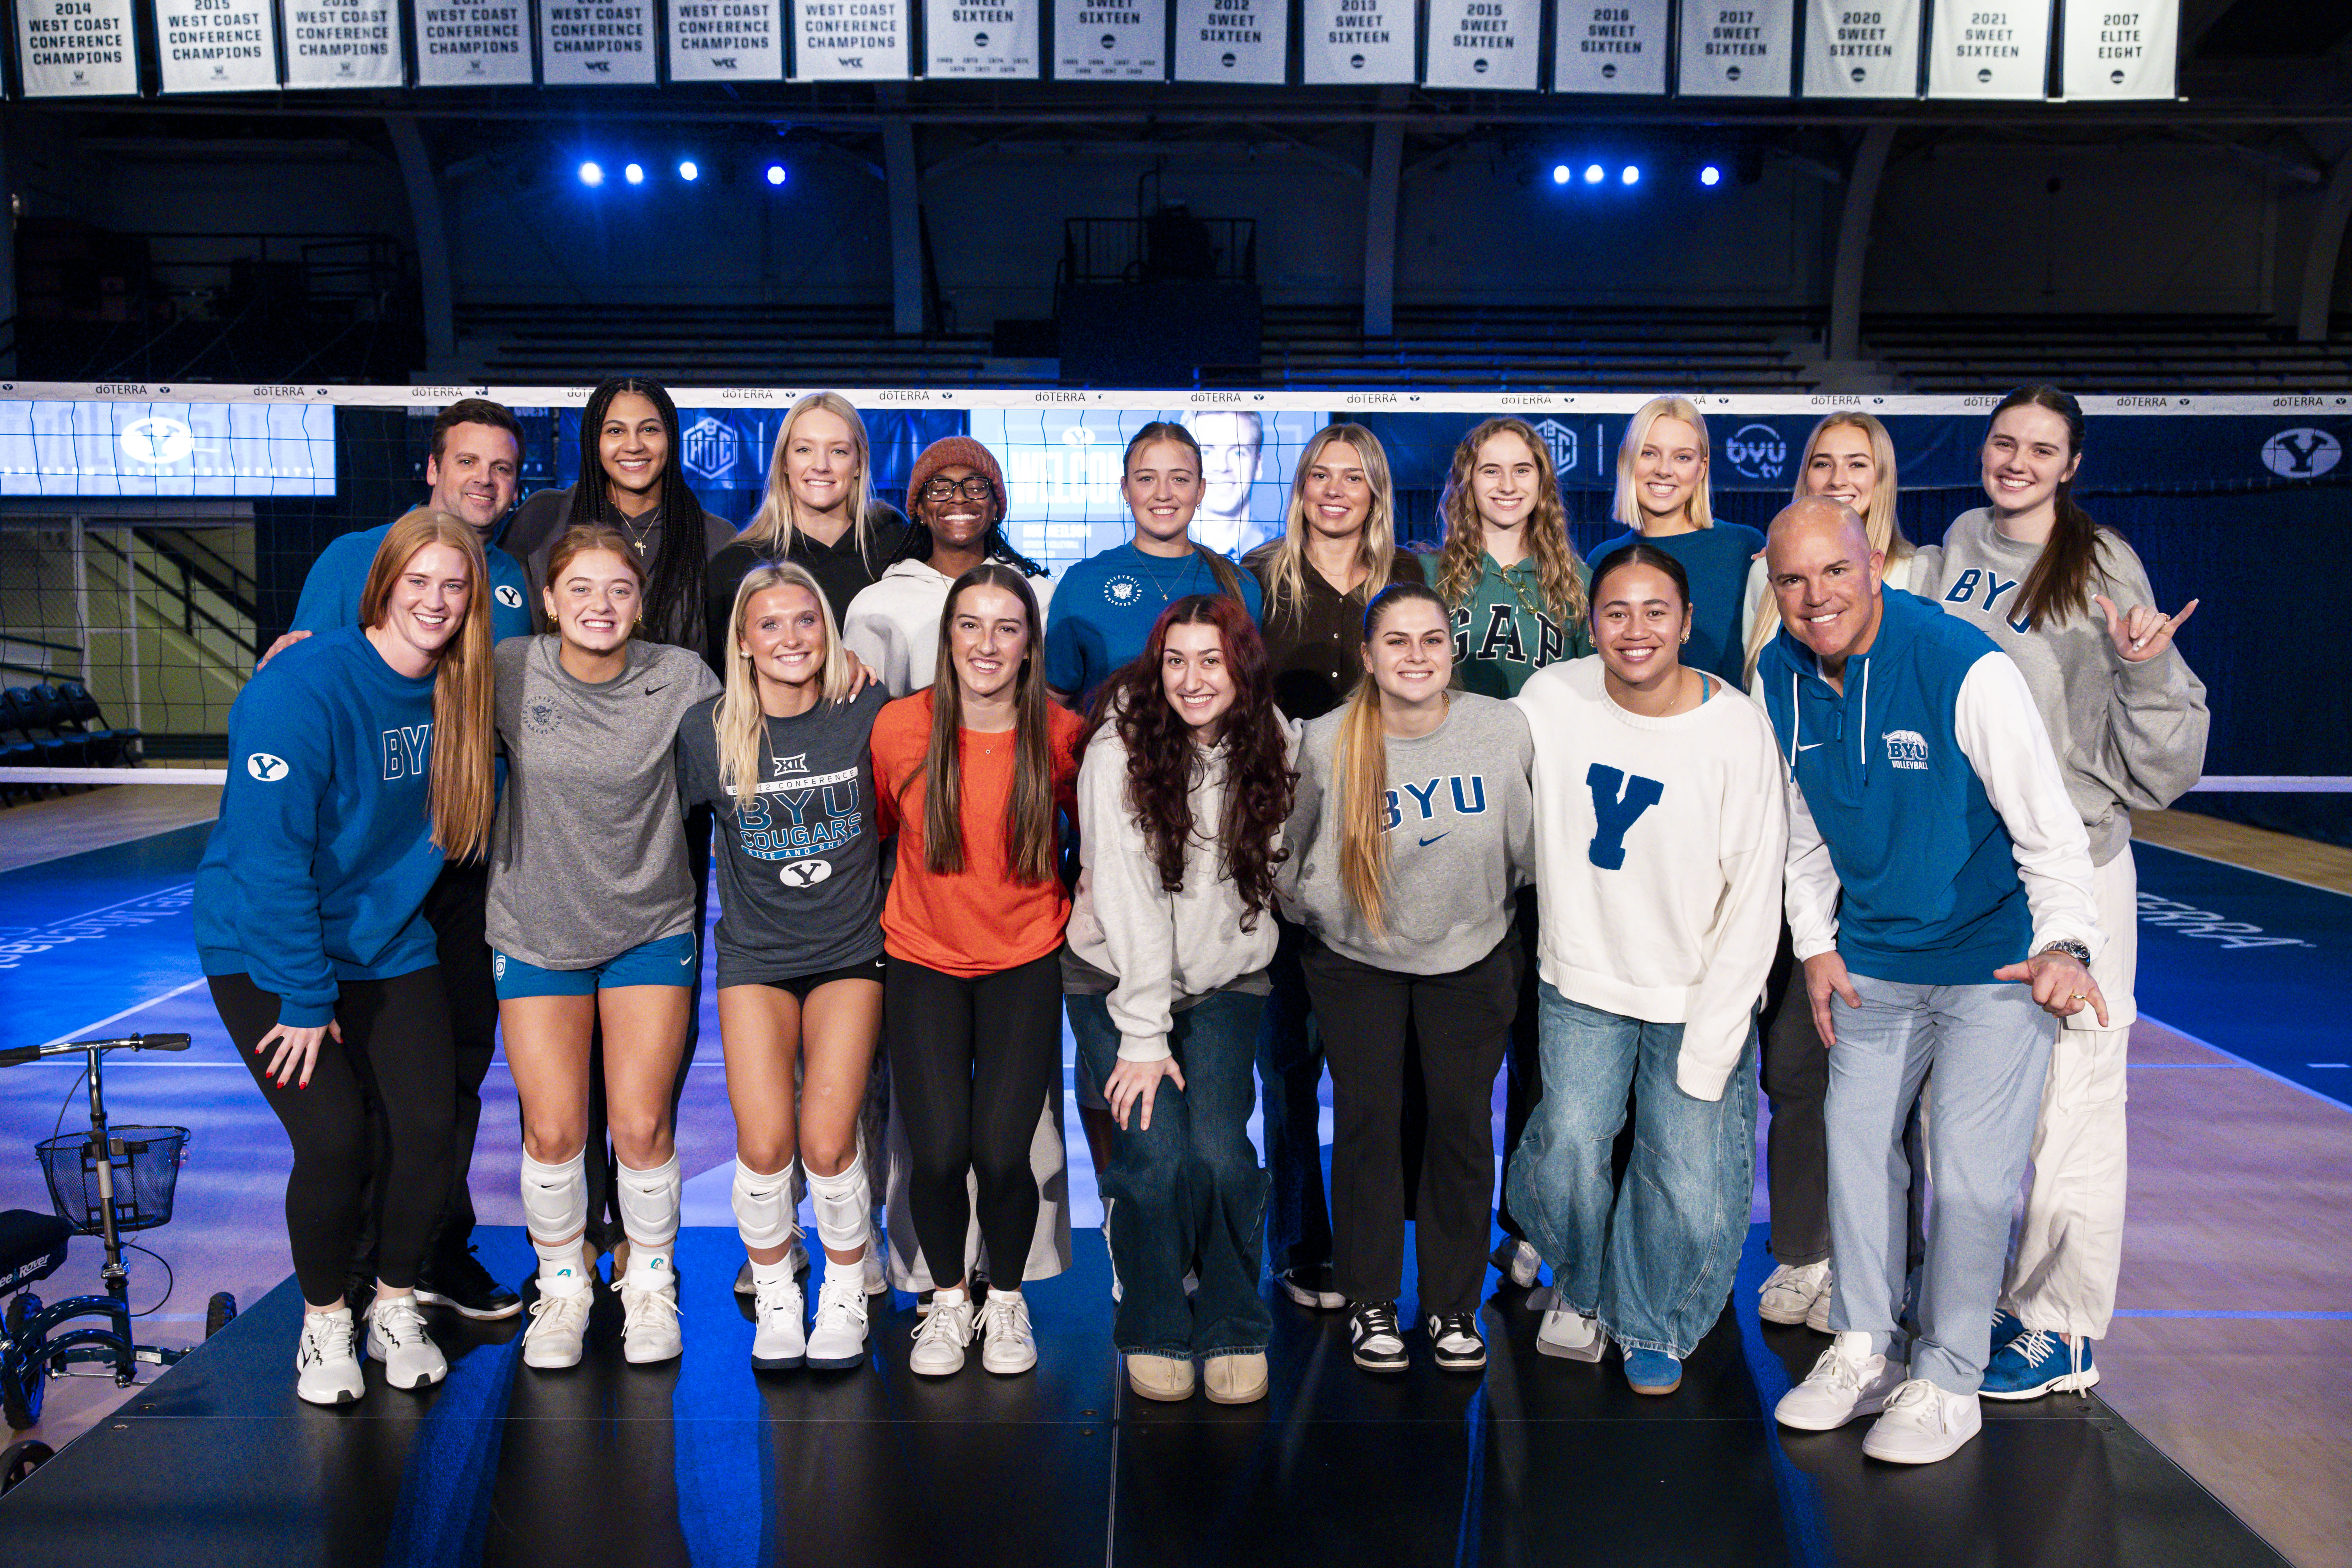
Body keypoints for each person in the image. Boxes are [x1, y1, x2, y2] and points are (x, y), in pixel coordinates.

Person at [1759, 496, 2107, 1467]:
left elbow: (2047, 829)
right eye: (1791, 579)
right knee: (1856, 1151)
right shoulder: (1776, 673)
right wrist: (1814, 947)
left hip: (1989, 961)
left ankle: (1948, 1375)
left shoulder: (1964, 667)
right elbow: (1799, 832)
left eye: (1832, 571)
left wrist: (2066, 946)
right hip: (1871, 959)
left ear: (1872, 563)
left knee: (1964, 1172)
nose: (1813, 596)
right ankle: (1865, 1347)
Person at [1933, 386, 2206, 1401]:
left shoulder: (2097, 567)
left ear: (2069, 465)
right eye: (2004, 441)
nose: (2015, 461)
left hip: (2075, 869)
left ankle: (2060, 1326)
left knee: (2075, 1102)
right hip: (1974, 871)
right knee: (1966, 1102)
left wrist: (2144, 668)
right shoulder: (1956, 543)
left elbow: (2165, 759)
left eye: (2038, 449)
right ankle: (1996, 1293)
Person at [195, 509, 496, 1404]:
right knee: (334, 1139)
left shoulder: (462, 694)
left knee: (428, 1131)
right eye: (419, 582)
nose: (436, 601)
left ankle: (392, 1304)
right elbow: (267, 855)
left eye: (454, 585)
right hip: (264, 946)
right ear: (383, 585)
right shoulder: (302, 687)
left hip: (384, 942)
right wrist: (302, 996)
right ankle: (325, 1319)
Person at [273, 398, 533, 1323]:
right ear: (432, 467)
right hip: (367, 869)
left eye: (502, 468)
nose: (484, 482)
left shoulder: (508, 579)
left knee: (452, 1073)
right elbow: (298, 673)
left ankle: (429, 1251)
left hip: (465, 864)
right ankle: (354, 1266)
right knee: (364, 1086)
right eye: (468, 462)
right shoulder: (354, 558)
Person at [1504, 544, 1785, 1395]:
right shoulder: (1550, 698)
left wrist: (1716, 1029)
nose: (1635, 629)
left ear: (1687, 621)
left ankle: (1650, 1317)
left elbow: (1753, 891)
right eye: (1615, 611)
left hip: (1694, 985)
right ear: (1589, 622)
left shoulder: (1734, 725)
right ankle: (1583, 1284)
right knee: (1566, 1146)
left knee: (1683, 1167)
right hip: (1581, 976)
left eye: (1655, 611)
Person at [503, 377, 735, 1268]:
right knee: (559, 1096)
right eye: (614, 429)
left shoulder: (712, 541)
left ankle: (645, 1250)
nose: (632, 443)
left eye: (649, 428)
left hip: (662, 812)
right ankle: (574, 1236)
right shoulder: (541, 529)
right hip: (557, 822)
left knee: (641, 1079)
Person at [1281, 582, 1532, 1374]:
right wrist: (1323, 908)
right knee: (1369, 1122)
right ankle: (1370, 1300)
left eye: (1430, 640)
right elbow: (1286, 852)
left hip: (1470, 954)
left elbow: (1524, 843)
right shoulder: (1325, 740)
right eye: (1397, 641)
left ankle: (1452, 1304)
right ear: (1367, 654)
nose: (1415, 655)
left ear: (1450, 650)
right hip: (1357, 960)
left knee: (1459, 1123)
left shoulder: (1499, 729)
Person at [491, 526, 722, 1371]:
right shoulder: (510, 671)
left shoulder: (681, 678)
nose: (600, 605)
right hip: (538, 925)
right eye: (580, 589)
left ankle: (650, 1279)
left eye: (618, 590)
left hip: (650, 924)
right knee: (554, 1129)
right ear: (549, 601)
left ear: (640, 601)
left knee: (640, 1121)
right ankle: (563, 1286)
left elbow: (754, 740)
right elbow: (408, 682)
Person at [1064, 595, 1295, 1405]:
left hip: (1226, 977)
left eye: (1211, 660)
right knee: (1155, 1158)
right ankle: (1156, 1319)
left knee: (1220, 1155)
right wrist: (1142, 1034)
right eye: (1176, 660)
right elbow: (1128, 906)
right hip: (1117, 981)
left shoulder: (1275, 739)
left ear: (1241, 667)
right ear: (1154, 667)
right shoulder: (1116, 752)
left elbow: (1280, 862)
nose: (1192, 679)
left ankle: (1232, 1318)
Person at [1737, 413, 1933, 1333]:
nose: (1838, 476)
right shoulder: (1765, 582)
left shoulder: (1923, 582)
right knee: (1796, 1067)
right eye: (1821, 461)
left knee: (1901, 1086)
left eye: (1858, 464)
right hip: (1800, 864)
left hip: (1901, 877)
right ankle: (1803, 1250)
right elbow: (1759, 704)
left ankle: (1886, 1264)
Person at [870, 565, 1085, 1376]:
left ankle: (1005, 1301)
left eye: (1005, 626)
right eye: (970, 624)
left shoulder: (1060, 735)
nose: (986, 643)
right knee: (935, 1153)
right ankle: (948, 1300)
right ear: (947, 636)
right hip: (922, 959)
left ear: (1029, 644)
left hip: (1022, 962)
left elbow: (1085, 837)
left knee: (1002, 1154)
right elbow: (887, 826)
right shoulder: (898, 728)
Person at [677, 561, 890, 1371]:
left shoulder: (867, 708)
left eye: (806, 620)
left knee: (827, 1139)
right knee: (765, 1143)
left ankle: (843, 1287)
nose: (791, 637)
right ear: (744, 640)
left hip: (846, 953)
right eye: (771, 624)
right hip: (756, 958)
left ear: (827, 630)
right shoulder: (709, 729)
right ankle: (776, 1298)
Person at [1242, 423, 1425, 1314]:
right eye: (1319, 474)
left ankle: (1366, 1240)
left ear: (1375, 490)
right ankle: (1298, 1242)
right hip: (1284, 846)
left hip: (1387, 848)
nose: (1334, 490)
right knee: (1286, 1066)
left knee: (1374, 1068)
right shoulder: (1259, 576)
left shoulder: (1408, 579)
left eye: (1352, 477)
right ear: (1302, 486)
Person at [1429, 415, 1593, 1290]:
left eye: (1519, 468)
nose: (1503, 483)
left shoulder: (1573, 584)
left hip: (1546, 836)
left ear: (1542, 481)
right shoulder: (1428, 575)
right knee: (1459, 1048)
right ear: (1464, 482)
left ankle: (1528, 1223)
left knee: (1544, 1041)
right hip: (1451, 835)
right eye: (1486, 469)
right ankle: (1437, 1224)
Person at [1045, 421, 1263, 713]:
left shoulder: (1241, 587)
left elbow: (1250, 703)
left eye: (1180, 480)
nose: (1163, 494)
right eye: (1147, 479)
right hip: (1112, 756)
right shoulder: (1082, 584)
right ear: (1125, 488)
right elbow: (1054, 707)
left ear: (1201, 491)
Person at [843, 436, 1054, 698]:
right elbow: (862, 710)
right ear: (920, 509)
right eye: (940, 488)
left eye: (976, 487)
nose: (958, 498)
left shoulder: (1041, 597)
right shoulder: (874, 604)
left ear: (996, 507)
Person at [706, 392, 913, 645]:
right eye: (804, 449)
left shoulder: (898, 547)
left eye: (838, 451)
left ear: (859, 463)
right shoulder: (736, 566)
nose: (821, 465)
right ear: (784, 461)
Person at [1588, 395, 1763, 687]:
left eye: (1682, 457)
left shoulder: (1745, 547)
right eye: (1649, 453)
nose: (1664, 470)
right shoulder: (1603, 560)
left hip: (1727, 725)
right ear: (1626, 461)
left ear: (1702, 468)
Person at [1184, 409, 1266, 556]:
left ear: (1258, 465)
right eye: (1207, 453)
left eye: (1238, 453)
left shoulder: (1286, 552)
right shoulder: (1157, 550)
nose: (1222, 467)